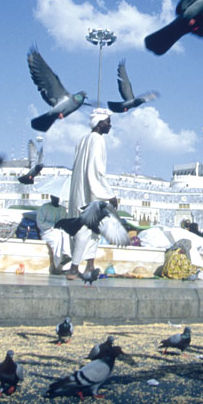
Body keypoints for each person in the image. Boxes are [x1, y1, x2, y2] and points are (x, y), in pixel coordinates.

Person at [66, 108, 118, 281]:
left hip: (80, 190)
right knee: (85, 229)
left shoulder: (83, 139)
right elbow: (96, 169)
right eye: (108, 122)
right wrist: (109, 194)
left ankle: (89, 266)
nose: (110, 125)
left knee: (95, 229)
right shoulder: (97, 140)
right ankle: (74, 268)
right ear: (99, 123)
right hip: (90, 192)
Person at [37, 195, 69, 272]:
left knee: (66, 235)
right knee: (56, 238)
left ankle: (66, 255)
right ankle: (58, 266)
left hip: (60, 231)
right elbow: (40, 223)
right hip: (47, 232)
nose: (56, 199)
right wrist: (53, 225)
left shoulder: (63, 209)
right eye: (54, 197)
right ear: (51, 197)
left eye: (57, 197)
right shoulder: (44, 208)